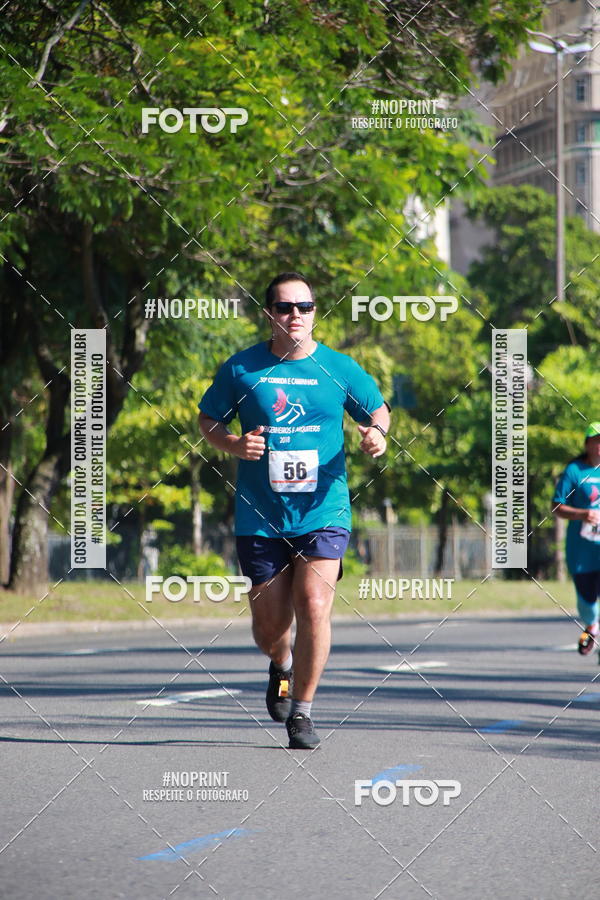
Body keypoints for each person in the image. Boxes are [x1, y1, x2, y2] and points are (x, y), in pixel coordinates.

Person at [198, 272, 390, 748]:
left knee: (315, 605)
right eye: (286, 307)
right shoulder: (242, 370)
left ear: (314, 312)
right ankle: (280, 664)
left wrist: (377, 435)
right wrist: (232, 443)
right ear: (270, 314)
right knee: (270, 628)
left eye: (305, 306)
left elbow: (378, 410)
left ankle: (302, 712)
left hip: (324, 509)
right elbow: (208, 419)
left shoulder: (340, 368)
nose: (296, 315)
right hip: (260, 515)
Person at [552, 422, 600, 657]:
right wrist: (582, 514)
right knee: (587, 600)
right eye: (597, 441)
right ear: (587, 444)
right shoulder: (574, 471)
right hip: (581, 551)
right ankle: (592, 625)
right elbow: (556, 506)